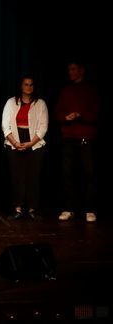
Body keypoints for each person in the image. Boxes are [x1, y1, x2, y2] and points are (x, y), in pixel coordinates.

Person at [55, 61, 100, 223]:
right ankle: (69, 208)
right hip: (68, 138)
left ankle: (90, 210)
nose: (70, 72)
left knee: (88, 174)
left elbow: (96, 114)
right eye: (69, 70)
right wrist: (66, 117)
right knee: (67, 174)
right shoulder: (66, 90)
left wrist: (81, 115)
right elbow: (58, 112)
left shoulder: (90, 90)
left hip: (86, 137)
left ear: (82, 70)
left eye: (73, 69)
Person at [1, 75, 48, 220]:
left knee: (33, 176)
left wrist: (31, 143)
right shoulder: (11, 102)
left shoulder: (40, 104)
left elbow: (43, 126)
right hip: (15, 140)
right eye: (26, 84)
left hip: (34, 142)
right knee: (17, 176)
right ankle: (18, 208)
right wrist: (14, 142)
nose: (29, 87)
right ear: (21, 86)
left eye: (31, 85)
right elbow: (5, 124)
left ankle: (33, 208)